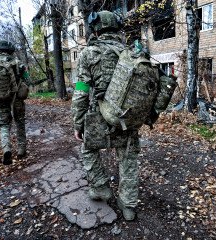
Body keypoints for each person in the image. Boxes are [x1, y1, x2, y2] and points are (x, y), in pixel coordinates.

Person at [71, 11, 141, 221]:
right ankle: (128, 206)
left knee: (88, 149)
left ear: (97, 28)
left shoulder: (89, 53)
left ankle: (100, 187)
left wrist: (78, 122)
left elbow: (81, 91)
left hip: (97, 116)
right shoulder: (131, 52)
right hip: (127, 117)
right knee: (128, 159)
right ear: (116, 28)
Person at [0, 40, 29, 165]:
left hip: (0, 99)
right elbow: (27, 79)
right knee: (19, 122)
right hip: (17, 99)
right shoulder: (17, 63)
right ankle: (21, 150)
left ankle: (6, 148)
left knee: (4, 125)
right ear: (11, 51)